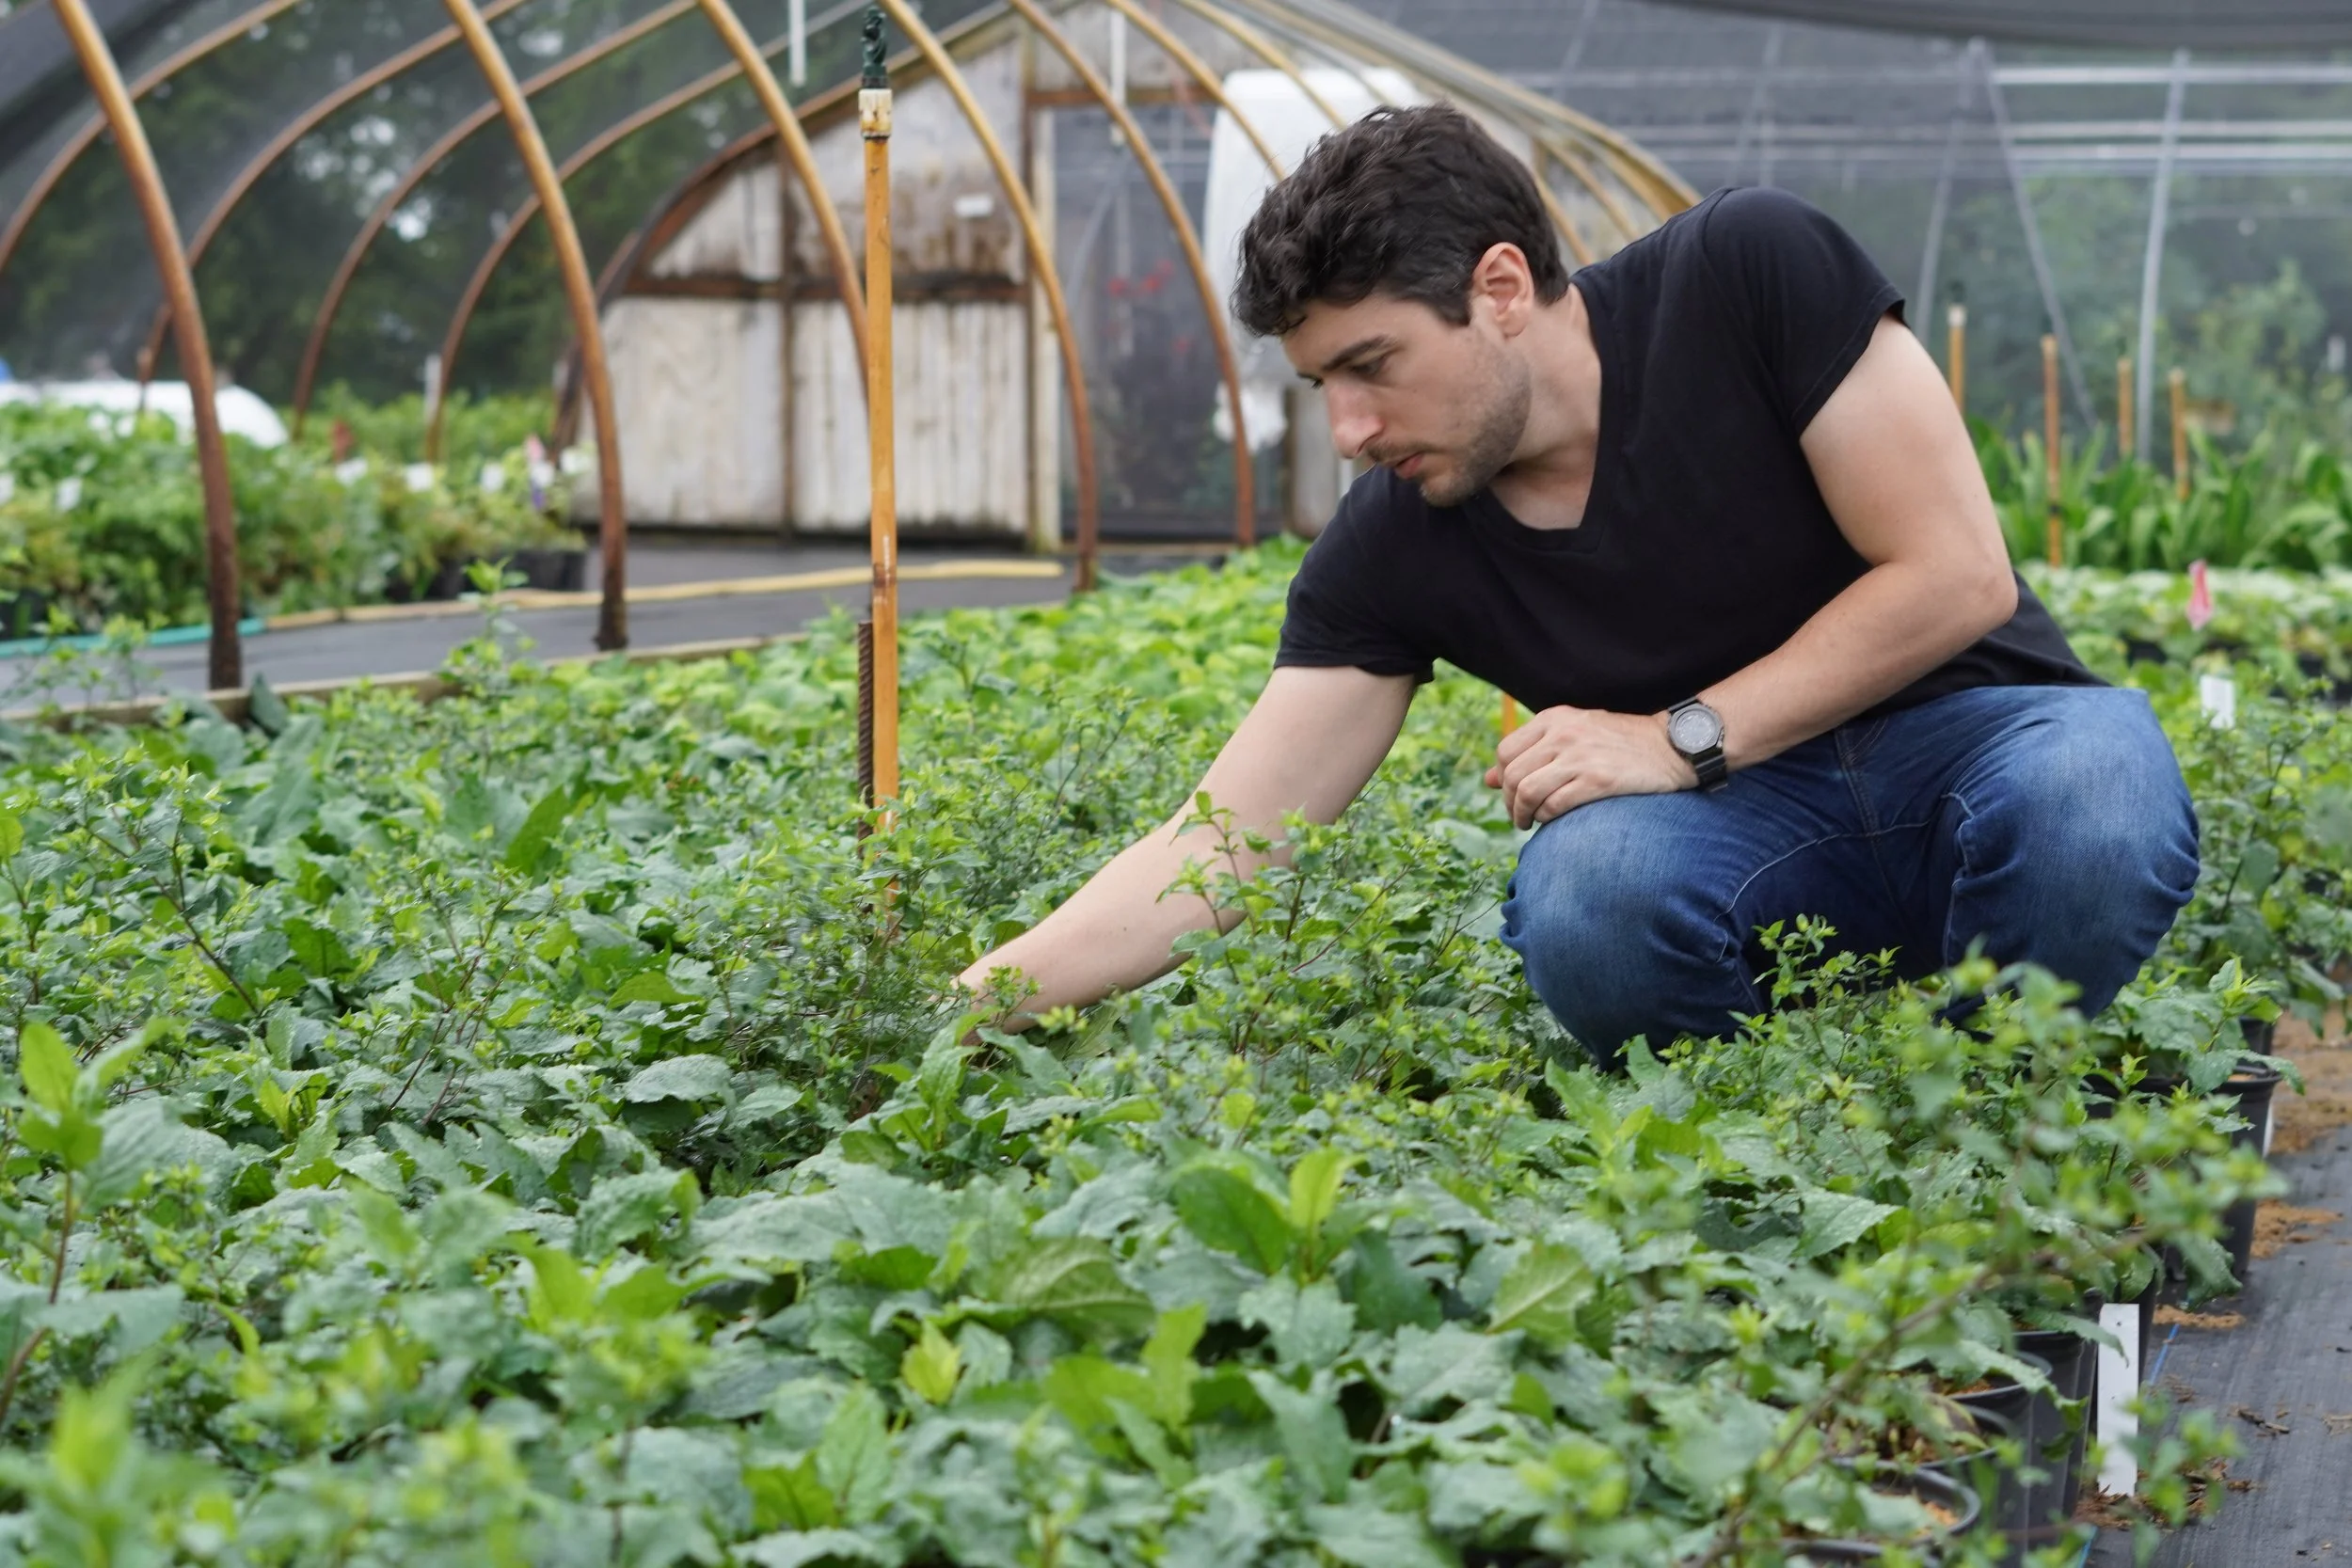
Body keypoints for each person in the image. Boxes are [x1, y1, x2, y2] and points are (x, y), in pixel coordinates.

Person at [960, 103, 2197, 1065]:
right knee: (1589, 897)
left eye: (1372, 362)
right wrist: (968, 1006)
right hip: (1749, 839)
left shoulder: (1745, 272)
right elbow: (1219, 846)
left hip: (1973, 747)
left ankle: (1999, 1108)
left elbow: (1955, 574)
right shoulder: (1396, 542)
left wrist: (1677, 738)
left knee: (2092, 789)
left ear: (1499, 289)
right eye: (1319, 384)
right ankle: (1764, 1151)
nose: (1346, 428)